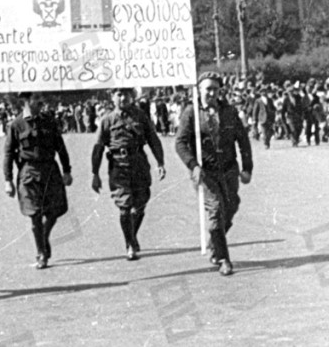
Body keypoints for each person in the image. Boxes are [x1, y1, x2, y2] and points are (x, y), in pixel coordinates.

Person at [175, 72, 253, 276]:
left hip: (228, 169)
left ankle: (214, 243)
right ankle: (223, 258)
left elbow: (243, 141)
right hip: (205, 172)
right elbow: (180, 143)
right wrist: (193, 165)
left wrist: (247, 168)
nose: (211, 93)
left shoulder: (229, 112)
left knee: (231, 206)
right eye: (207, 89)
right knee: (216, 210)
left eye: (215, 89)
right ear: (199, 90)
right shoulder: (191, 112)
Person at [91, 88, 166, 260]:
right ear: (112, 97)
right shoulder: (107, 120)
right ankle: (130, 243)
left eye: (126, 94)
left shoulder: (140, 116)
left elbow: (153, 139)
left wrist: (160, 162)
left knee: (140, 205)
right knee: (124, 207)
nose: (123, 98)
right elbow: (98, 148)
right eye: (119, 94)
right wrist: (95, 173)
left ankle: (131, 235)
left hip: (139, 163)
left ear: (132, 96)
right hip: (119, 166)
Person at [3, 92, 73, 270]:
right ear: (27, 100)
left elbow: (60, 146)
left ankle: (44, 236)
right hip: (29, 172)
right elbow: (8, 153)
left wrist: (67, 170)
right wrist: (8, 180)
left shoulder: (48, 121)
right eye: (37, 99)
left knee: (56, 210)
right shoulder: (16, 124)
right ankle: (41, 252)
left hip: (50, 170)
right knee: (34, 215)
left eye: (42, 98)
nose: (41, 102)